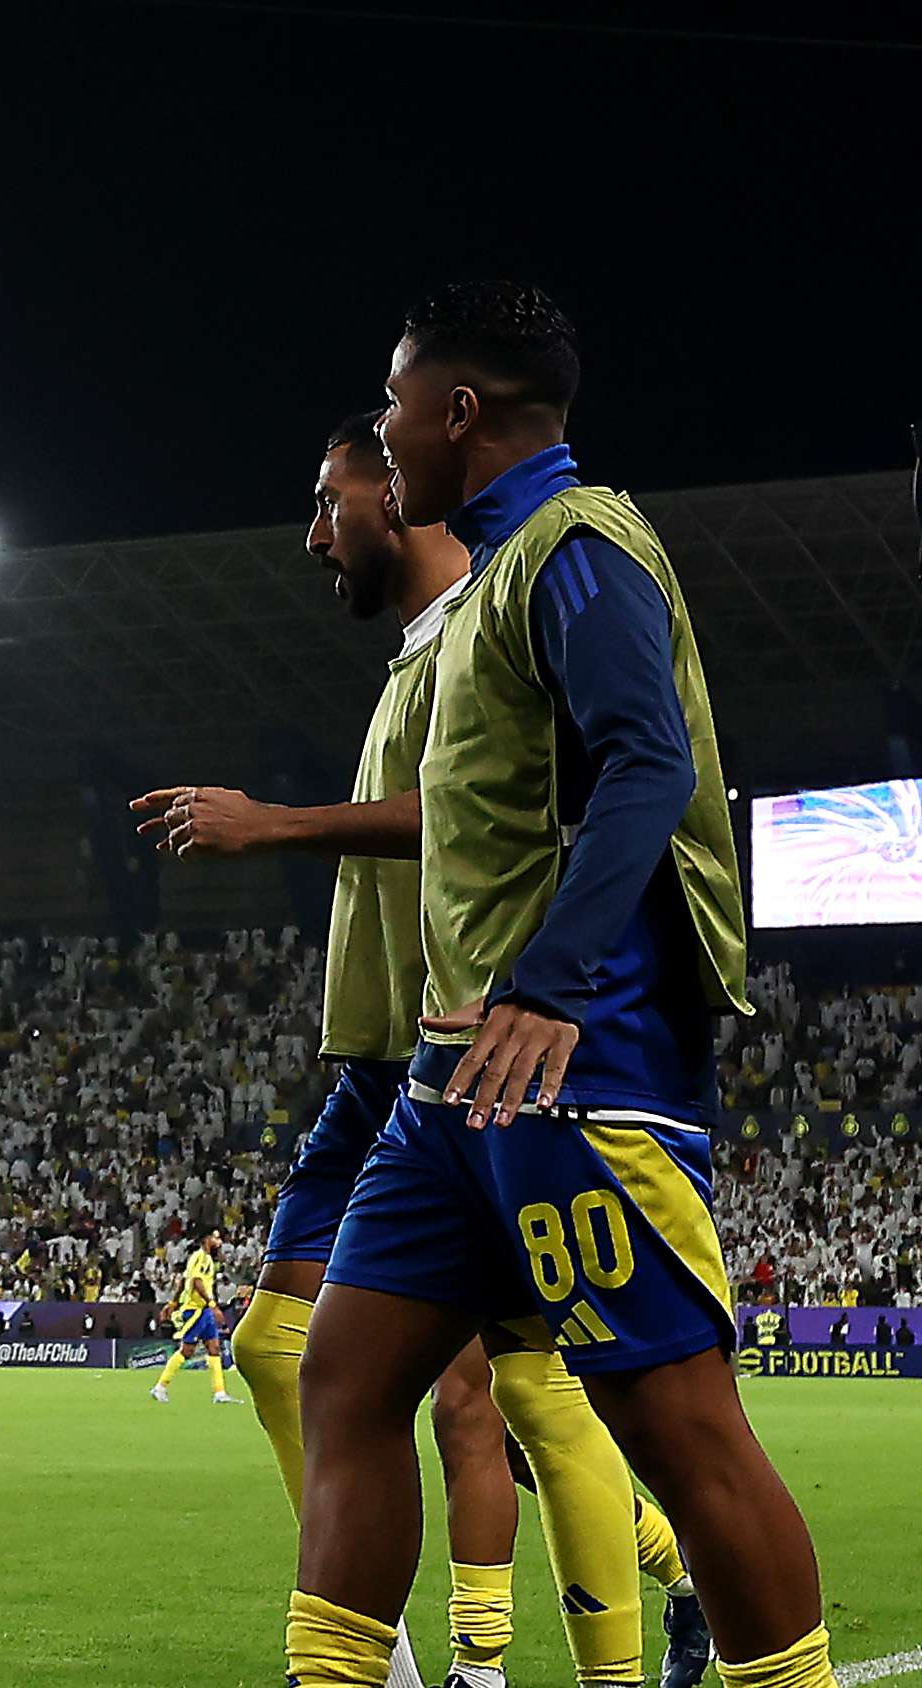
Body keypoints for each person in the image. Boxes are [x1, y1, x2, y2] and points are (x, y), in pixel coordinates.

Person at [290, 282, 836, 1688]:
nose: (388, 429)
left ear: (457, 411)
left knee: (675, 1426)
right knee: (341, 1379)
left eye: (399, 401)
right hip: (451, 1083)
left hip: (578, 1072)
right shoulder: (491, 582)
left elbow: (647, 764)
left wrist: (550, 985)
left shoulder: (581, 549)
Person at [139, 408, 705, 1687]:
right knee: (289, 1348)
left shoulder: (488, 627)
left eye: (333, 497)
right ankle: (414, 1649)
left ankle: (576, 1646)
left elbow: (513, 802)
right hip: (381, 1065)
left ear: (395, 495)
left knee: (534, 1392)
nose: (314, 532)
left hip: (468, 1050)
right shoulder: (412, 655)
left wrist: (277, 824)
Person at [148, 1230, 240, 1405]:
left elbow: (184, 1281)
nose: (219, 1241)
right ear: (206, 1239)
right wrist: (213, 1305)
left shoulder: (206, 1259)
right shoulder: (200, 1257)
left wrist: (173, 1303)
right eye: (215, 1237)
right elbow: (196, 1282)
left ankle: (220, 1393)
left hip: (204, 1311)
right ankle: (160, 1387)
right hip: (196, 1310)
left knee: (214, 1348)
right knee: (187, 1350)